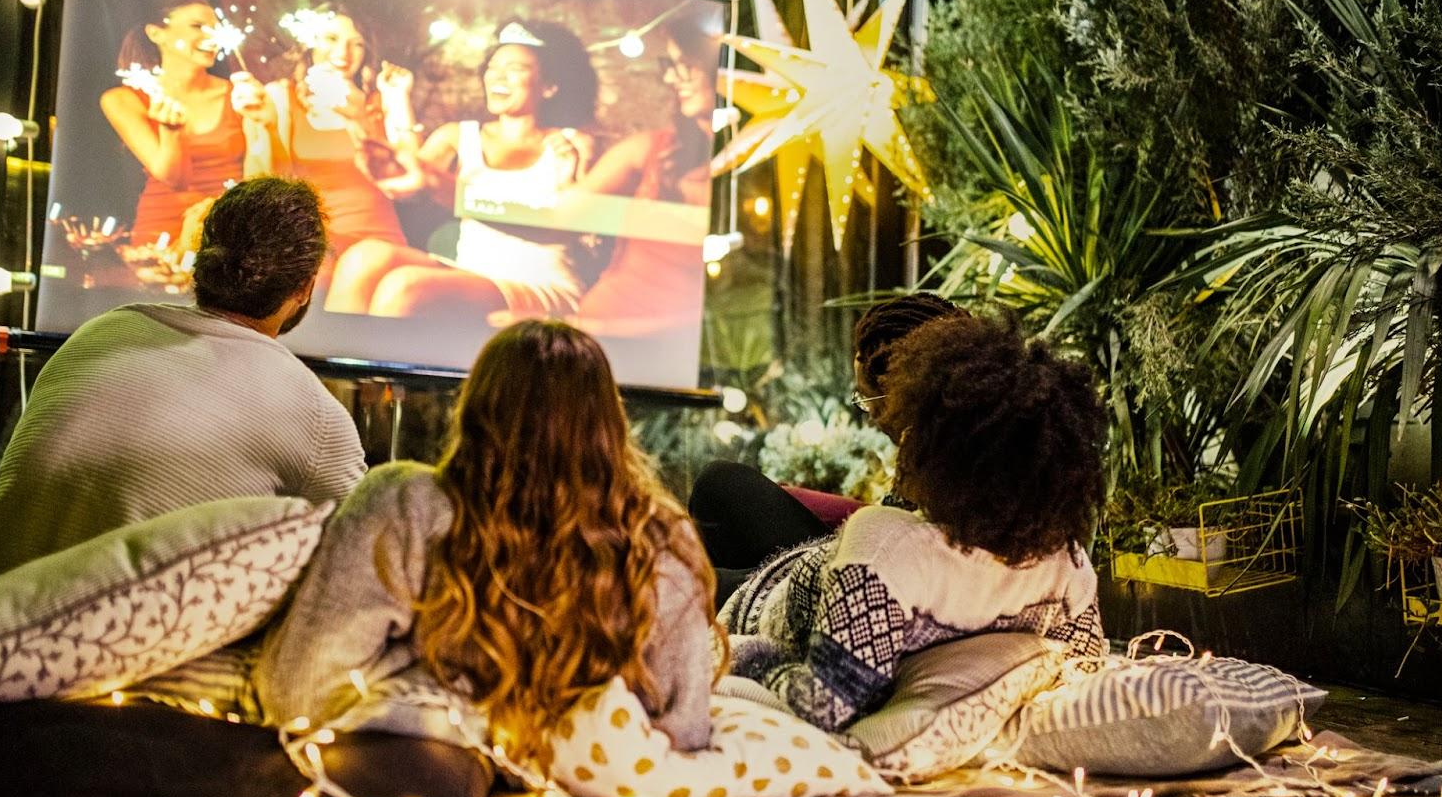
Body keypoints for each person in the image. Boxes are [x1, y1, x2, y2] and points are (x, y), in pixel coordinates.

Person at [253, 321, 718, 764]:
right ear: (610, 425)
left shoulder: (406, 504)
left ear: (474, 409)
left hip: (422, 787)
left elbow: (298, 691)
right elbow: (686, 732)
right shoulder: (660, 537)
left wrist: (438, 687)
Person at [0, 177, 365, 602]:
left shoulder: (102, 330)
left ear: (202, 258)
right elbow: (366, 559)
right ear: (305, 286)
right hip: (95, 646)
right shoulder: (315, 416)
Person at [719, 309, 1108, 732]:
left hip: (758, 603)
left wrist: (738, 652)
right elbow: (1086, 670)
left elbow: (824, 706)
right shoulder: (1067, 564)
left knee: (709, 509)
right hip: (802, 568)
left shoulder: (889, 550)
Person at [324, 20, 601, 322]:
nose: (498, 77)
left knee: (405, 288)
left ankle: (377, 371)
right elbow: (411, 179)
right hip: (469, 270)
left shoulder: (573, 144)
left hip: (539, 281)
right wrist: (396, 99)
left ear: (549, 86)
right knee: (363, 258)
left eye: (516, 68)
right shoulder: (458, 135)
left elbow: (572, 223)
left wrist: (572, 176)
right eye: (493, 68)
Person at [689, 293, 968, 592]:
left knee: (705, 570)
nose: (871, 415)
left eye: (867, 398)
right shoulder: (960, 429)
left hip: (866, 584)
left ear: (901, 391)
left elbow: (901, 554)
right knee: (723, 487)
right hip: (865, 558)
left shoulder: (946, 458)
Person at [569, 19, 717, 339]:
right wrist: (577, 159)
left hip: (652, 349)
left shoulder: (750, 183)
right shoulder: (653, 148)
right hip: (590, 329)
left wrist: (604, 330)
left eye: (686, 65)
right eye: (670, 65)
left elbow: (716, 319)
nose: (671, 78)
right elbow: (565, 212)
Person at [100, 0, 278, 247]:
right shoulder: (123, 99)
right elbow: (174, 178)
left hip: (226, 232)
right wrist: (171, 131)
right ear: (156, 33)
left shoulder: (240, 94)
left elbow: (262, 178)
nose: (212, 36)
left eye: (216, 29)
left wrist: (264, 126)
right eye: (197, 26)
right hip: (161, 236)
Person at [264, 8, 412, 257]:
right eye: (331, 39)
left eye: (357, 44)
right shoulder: (281, 97)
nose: (343, 53)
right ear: (310, 43)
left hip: (378, 239)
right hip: (311, 239)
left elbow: (408, 182)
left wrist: (393, 102)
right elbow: (271, 179)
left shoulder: (381, 100)